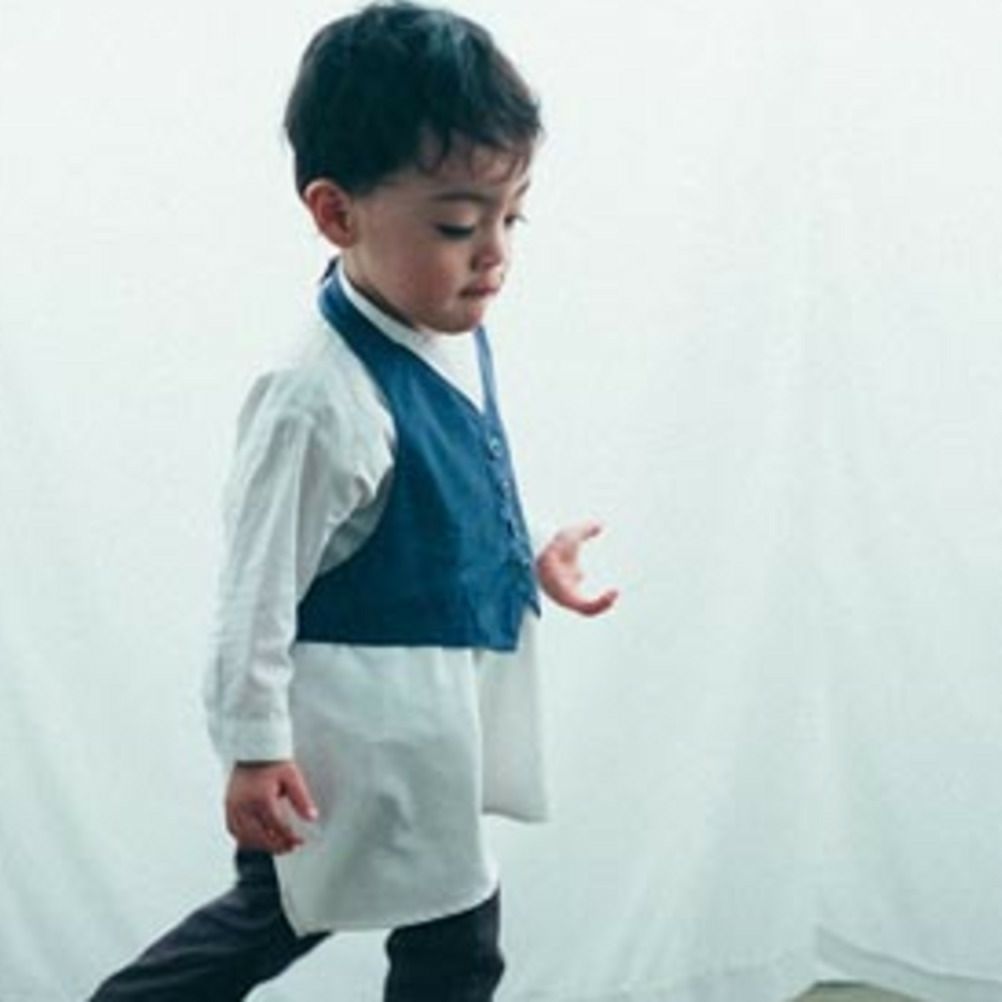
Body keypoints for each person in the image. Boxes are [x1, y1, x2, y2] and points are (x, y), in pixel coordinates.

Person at [87, 3, 617, 999]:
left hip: (430, 728)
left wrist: (534, 549)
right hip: (352, 739)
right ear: (337, 214)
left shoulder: (445, 325)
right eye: (458, 224)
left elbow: (455, 477)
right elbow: (253, 594)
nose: (494, 253)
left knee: (451, 940)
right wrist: (253, 750)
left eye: (512, 216)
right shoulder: (314, 400)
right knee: (280, 917)